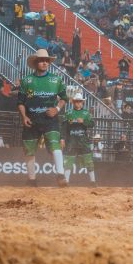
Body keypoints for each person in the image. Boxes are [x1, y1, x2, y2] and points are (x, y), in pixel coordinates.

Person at [18, 49, 67, 186]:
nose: (45, 63)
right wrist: (24, 116)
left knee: (55, 145)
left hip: (50, 119)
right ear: (35, 63)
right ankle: (32, 180)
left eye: (47, 60)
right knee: (29, 148)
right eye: (41, 60)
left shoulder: (56, 79)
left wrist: (56, 109)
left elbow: (64, 98)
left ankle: (61, 175)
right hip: (31, 119)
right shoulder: (27, 81)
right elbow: (20, 102)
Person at [62, 93, 96, 185]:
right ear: (73, 102)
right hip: (71, 141)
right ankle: (66, 181)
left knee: (88, 160)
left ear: (82, 102)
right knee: (68, 161)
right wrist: (62, 139)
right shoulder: (68, 113)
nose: (78, 103)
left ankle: (93, 182)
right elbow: (64, 127)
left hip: (83, 141)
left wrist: (84, 122)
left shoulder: (86, 113)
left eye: (80, 101)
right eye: (76, 101)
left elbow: (92, 124)